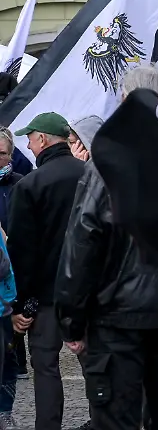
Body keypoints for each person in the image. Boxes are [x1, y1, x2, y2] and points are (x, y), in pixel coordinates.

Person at [53, 66, 158, 430]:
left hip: (116, 322)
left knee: (117, 420)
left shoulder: (104, 166)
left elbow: (81, 247)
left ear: (124, 101)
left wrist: (71, 322)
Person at [5, 111, 85, 430]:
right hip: (88, 292)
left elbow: (22, 252)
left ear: (42, 139)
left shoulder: (31, 184)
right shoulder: (92, 175)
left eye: (30, 138)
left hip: (47, 297)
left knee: (45, 365)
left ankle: (48, 426)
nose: (28, 144)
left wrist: (23, 305)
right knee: (95, 363)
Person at [0, 127, 20, 430]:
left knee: (8, 359)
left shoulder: (19, 185)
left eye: (1, 153)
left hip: (9, 287)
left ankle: (4, 411)